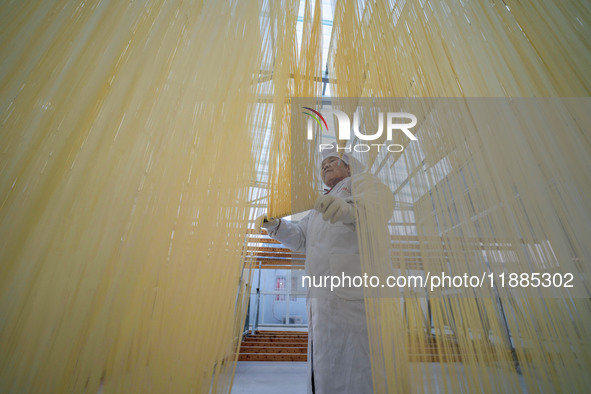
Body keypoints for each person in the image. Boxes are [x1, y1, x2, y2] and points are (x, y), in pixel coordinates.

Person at [259, 148, 394, 394]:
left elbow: (380, 204)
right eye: (322, 164)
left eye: (332, 161)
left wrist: (349, 210)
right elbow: (300, 238)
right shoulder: (318, 207)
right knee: (325, 362)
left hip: (354, 297)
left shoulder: (360, 182)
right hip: (322, 299)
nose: (325, 166)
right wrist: (276, 226)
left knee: (359, 364)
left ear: (350, 167)